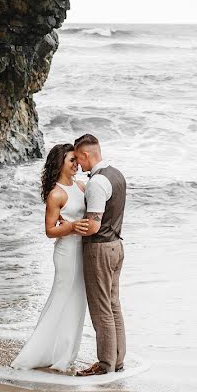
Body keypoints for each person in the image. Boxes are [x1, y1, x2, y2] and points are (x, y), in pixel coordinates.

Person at [10, 143, 90, 371]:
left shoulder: (81, 187)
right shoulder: (56, 194)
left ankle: (64, 353)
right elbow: (49, 231)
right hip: (66, 253)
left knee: (76, 302)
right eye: (71, 160)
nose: (76, 164)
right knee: (60, 300)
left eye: (77, 159)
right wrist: (73, 227)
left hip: (81, 251)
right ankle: (34, 355)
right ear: (59, 164)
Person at [71, 133, 127, 377]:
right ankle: (117, 360)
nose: (78, 165)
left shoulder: (96, 183)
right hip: (117, 245)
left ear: (85, 154)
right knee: (113, 305)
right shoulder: (116, 175)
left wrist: (69, 225)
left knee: (101, 309)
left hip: (99, 249)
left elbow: (93, 225)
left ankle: (105, 365)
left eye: (78, 159)